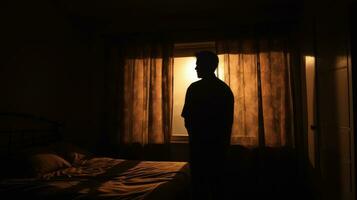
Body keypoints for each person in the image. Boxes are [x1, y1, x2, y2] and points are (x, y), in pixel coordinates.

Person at [181, 51, 234, 200]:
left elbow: (187, 118)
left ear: (207, 66)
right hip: (219, 148)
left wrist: (195, 135)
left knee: (200, 188)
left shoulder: (194, 89)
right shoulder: (224, 90)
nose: (196, 68)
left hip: (199, 148)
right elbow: (227, 122)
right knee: (217, 187)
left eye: (198, 65)